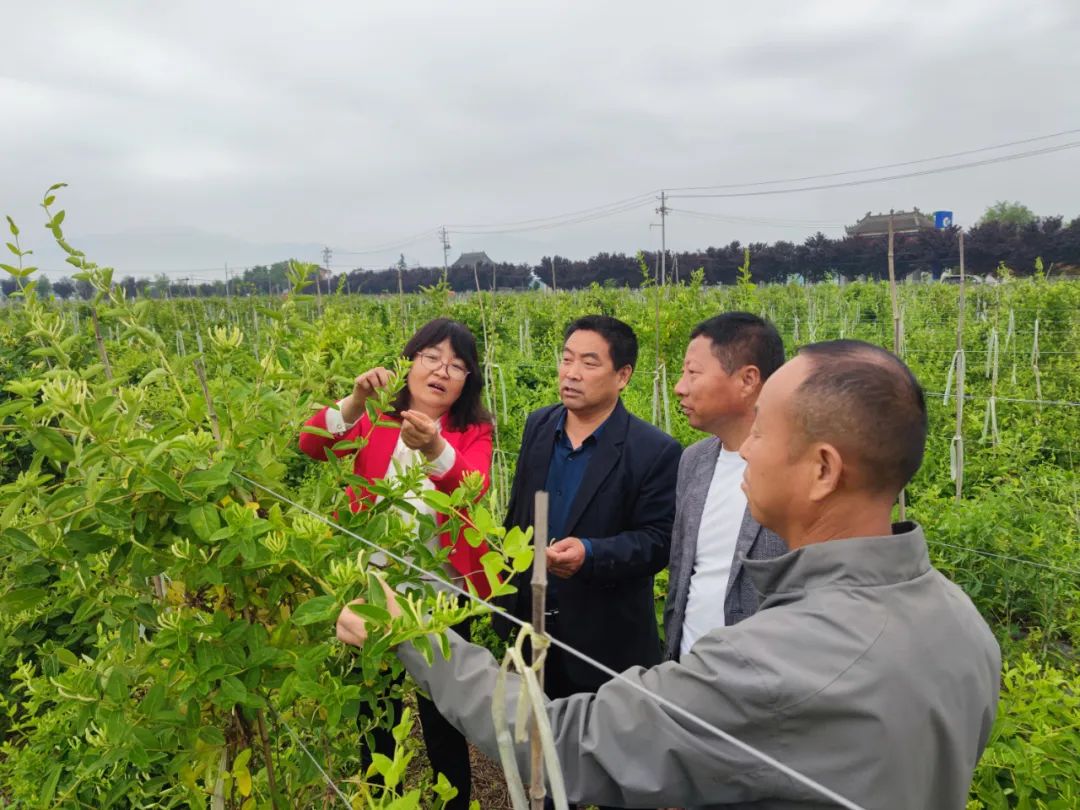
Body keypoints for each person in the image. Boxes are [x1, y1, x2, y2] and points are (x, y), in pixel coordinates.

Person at [337, 339, 1002, 809]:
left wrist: (415, 630)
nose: (744, 452)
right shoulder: (959, 623)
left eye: (762, 435)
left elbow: (559, 740)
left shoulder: (776, 658)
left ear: (823, 470)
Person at [300, 317, 492, 810]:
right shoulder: (377, 416)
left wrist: (433, 445)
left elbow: (472, 484)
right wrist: (357, 401)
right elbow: (311, 444)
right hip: (374, 587)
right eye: (431, 357)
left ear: (468, 380)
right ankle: (381, 798)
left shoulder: (473, 431)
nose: (442, 371)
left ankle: (455, 801)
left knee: (444, 713)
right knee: (375, 708)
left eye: (457, 365)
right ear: (409, 363)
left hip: (441, 592)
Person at [498, 315, 682, 705]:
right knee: (536, 742)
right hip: (531, 623)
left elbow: (658, 541)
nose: (572, 373)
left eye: (589, 362)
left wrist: (592, 553)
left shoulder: (653, 450)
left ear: (623, 375)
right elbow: (518, 514)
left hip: (603, 639)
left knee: (602, 751)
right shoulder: (539, 425)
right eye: (567, 359)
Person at [664, 313, 788, 662]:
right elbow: (683, 578)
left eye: (693, 373)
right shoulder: (694, 461)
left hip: (760, 689)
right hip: (688, 676)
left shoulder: (796, 469)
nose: (680, 386)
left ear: (748, 380)